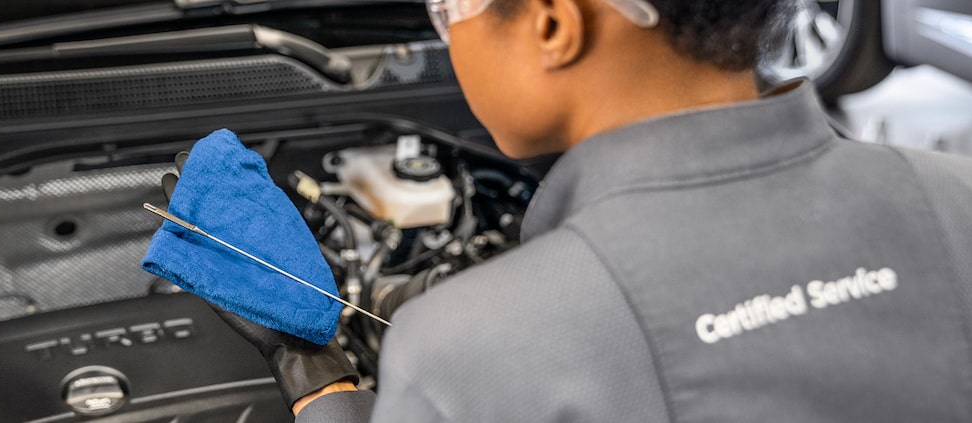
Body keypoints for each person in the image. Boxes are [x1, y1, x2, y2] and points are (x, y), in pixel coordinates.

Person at [169, 0, 972, 421]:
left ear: (554, 24)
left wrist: (314, 374)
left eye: (448, 9)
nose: (445, 34)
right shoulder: (954, 197)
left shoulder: (469, 348)